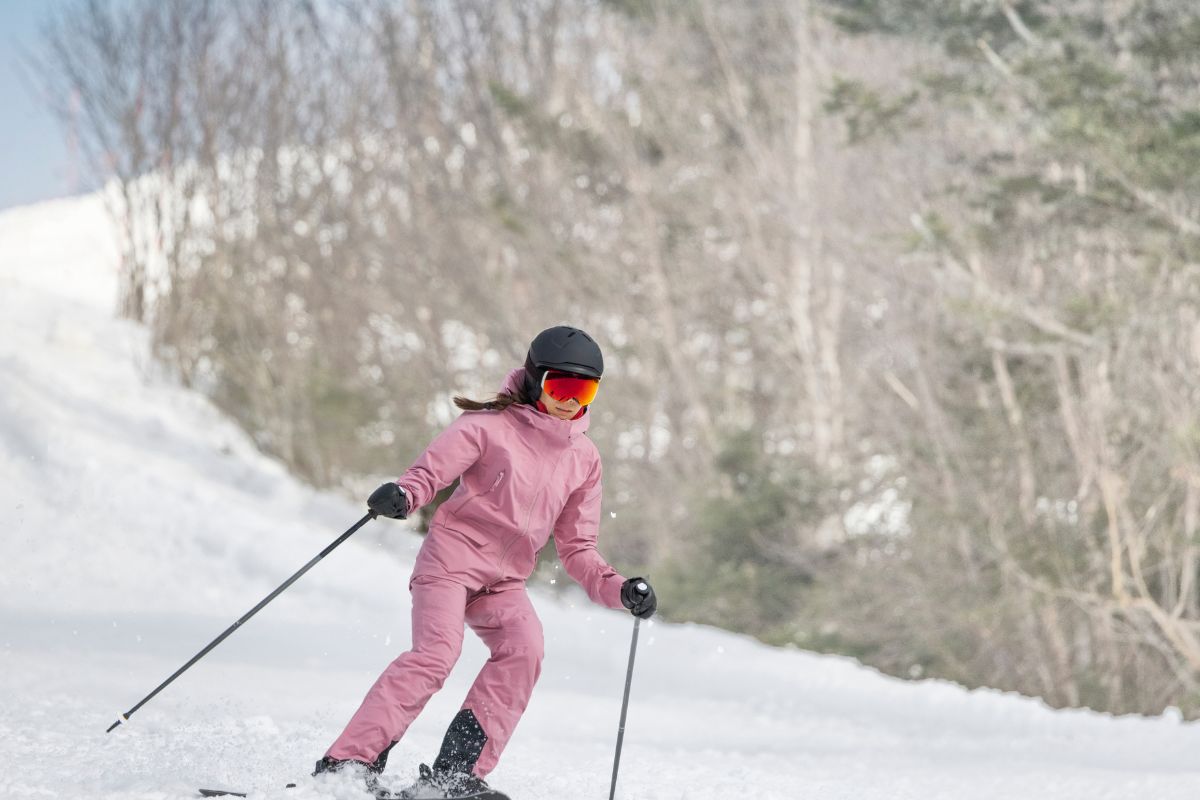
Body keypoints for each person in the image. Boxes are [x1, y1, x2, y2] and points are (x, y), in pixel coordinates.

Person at [314, 325, 658, 800]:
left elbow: (578, 548)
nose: (570, 400)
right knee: (436, 654)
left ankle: (456, 775)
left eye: (585, 390)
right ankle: (348, 763)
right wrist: (404, 495)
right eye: (561, 386)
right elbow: (429, 472)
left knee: (525, 649)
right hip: (450, 563)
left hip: (504, 582)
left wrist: (618, 588)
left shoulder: (584, 458)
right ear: (537, 380)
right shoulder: (487, 427)